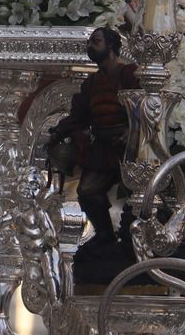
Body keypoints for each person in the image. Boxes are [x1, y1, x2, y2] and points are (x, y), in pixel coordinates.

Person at [45, 27, 140, 246]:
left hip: (129, 147)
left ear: (111, 46)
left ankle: (133, 236)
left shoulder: (128, 73)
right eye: (89, 42)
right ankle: (105, 234)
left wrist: (132, 129)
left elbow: (142, 103)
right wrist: (58, 133)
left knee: (138, 194)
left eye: (95, 41)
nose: (90, 46)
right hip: (103, 147)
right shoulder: (91, 83)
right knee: (87, 191)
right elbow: (78, 116)